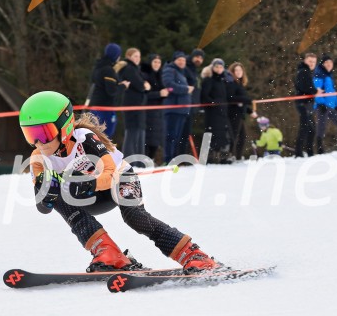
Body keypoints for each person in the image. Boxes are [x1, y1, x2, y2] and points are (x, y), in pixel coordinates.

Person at [20, 90, 220, 272]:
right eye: (31, 135)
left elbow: (109, 174)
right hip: (86, 198)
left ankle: (193, 254)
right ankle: (109, 254)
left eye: (43, 134)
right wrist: (47, 195)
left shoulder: (84, 139)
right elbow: (43, 208)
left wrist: (88, 184)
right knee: (57, 194)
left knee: (135, 217)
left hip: (118, 180)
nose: (38, 142)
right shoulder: (38, 159)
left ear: (65, 127)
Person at [313, 54, 337, 153]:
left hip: (330, 106)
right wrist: (321, 103)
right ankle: (320, 150)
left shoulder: (328, 75)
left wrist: (336, 105)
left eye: (330, 62)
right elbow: (316, 91)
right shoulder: (319, 75)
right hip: (322, 106)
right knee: (322, 127)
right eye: (326, 63)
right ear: (322, 64)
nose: (329, 64)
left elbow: (332, 92)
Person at [161, 51, 193, 164]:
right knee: (171, 135)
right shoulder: (169, 70)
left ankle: (173, 159)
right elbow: (169, 85)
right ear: (174, 60)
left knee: (177, 136)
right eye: (179, 59)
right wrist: (186, 89)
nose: (182, 62)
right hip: (173, 109)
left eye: (183, 60)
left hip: (182, 110)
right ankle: (168, 159)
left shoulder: (181, 73)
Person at [118, 48, 150, 163]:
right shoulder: (129, 68)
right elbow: (140, 84)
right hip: (132, 105)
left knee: (139, 132)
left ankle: (139, 161)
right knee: (132, 132)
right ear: (129, 56)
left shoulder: (135, 69)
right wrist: (144, 85)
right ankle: (129, 161)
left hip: (138, 105)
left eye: (139, 56)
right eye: (135, 56)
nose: (138, 59)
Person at [199, 58, 232, 163]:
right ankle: (207, 158)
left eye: (221, 67)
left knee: (222, 135)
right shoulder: (208, 80)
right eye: (216, 67)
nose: (219, 69)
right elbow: (204, 96)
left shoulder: (223, 81)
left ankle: (222, 157)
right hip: (212, 113)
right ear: (212, 68)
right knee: (210, 134)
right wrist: (213, 104)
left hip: (222, 112)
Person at [89, 43, 125, 137]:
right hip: (105, 109)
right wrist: (123, 86)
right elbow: (112, 91)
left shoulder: (98, 67)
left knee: (95, 136)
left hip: (95, 107)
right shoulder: (108, 70)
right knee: (105, 136)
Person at [141, 54, 168, 161]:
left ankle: (151, 159)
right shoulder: (145, 75)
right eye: (155, 62)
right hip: (148, 111)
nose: (157, 64)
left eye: (159, 62)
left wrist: (166, 93)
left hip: (159, 111)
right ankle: (145, 160)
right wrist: (159, 94)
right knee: (147, 138)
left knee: (156, 139)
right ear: (150, 63)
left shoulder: (161, 75)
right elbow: (144, 95)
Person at [179, 48, 205, 156]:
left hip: (191, 107)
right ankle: (178, 157)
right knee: (181, 133)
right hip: (184, 105)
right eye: (197, 57)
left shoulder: (194, 70)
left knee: (186, 133)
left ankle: (182, 157)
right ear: (192, 56)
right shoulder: (186, 67)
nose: (198, 59)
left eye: (201, 58)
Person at [227, 62, 253, 161]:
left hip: (240, 113)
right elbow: (231, 98)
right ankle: (229, 155)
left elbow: (242, 101)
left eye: (240, 70)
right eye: (236, 70)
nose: (238, 72)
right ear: (232, 72)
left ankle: (237, 156)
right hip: (233, 113)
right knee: (233, 135)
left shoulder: (240, 83)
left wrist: (249, 111)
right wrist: (246, 100)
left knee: (242, 137)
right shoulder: (231, 83)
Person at [294, 53, 317, 156]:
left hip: (307, 103)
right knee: (305, 128)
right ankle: (299, 153)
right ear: (305, 61)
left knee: (311, 129)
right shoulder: (304, 72)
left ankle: (309, 151)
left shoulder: (306, 71)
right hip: (303, 104)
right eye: (310, 61)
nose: (312, 64)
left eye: (313, 62)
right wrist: (316, 91)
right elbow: (306, 88)